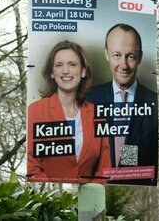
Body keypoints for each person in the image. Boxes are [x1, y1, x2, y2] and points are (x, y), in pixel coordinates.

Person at [27, 40, 110, 183]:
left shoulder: (98, 114)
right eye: (59, 65)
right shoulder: (35, 111)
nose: (65, 71)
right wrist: (55, 196)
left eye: (72, 64)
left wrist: (89, 193)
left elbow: (104, 166)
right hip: (49, 199)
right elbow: (31, 165)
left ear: (83, 71)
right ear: (52, 73)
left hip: (89, 201)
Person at [87, 23, 158, 185]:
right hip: (96, 187)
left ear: (139, 57)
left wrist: (124, 174)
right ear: (106, 54)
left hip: (136, 191)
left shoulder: (153, 104)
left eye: (130, 56)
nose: (124, 65)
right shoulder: (88, 99)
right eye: (117, 55)